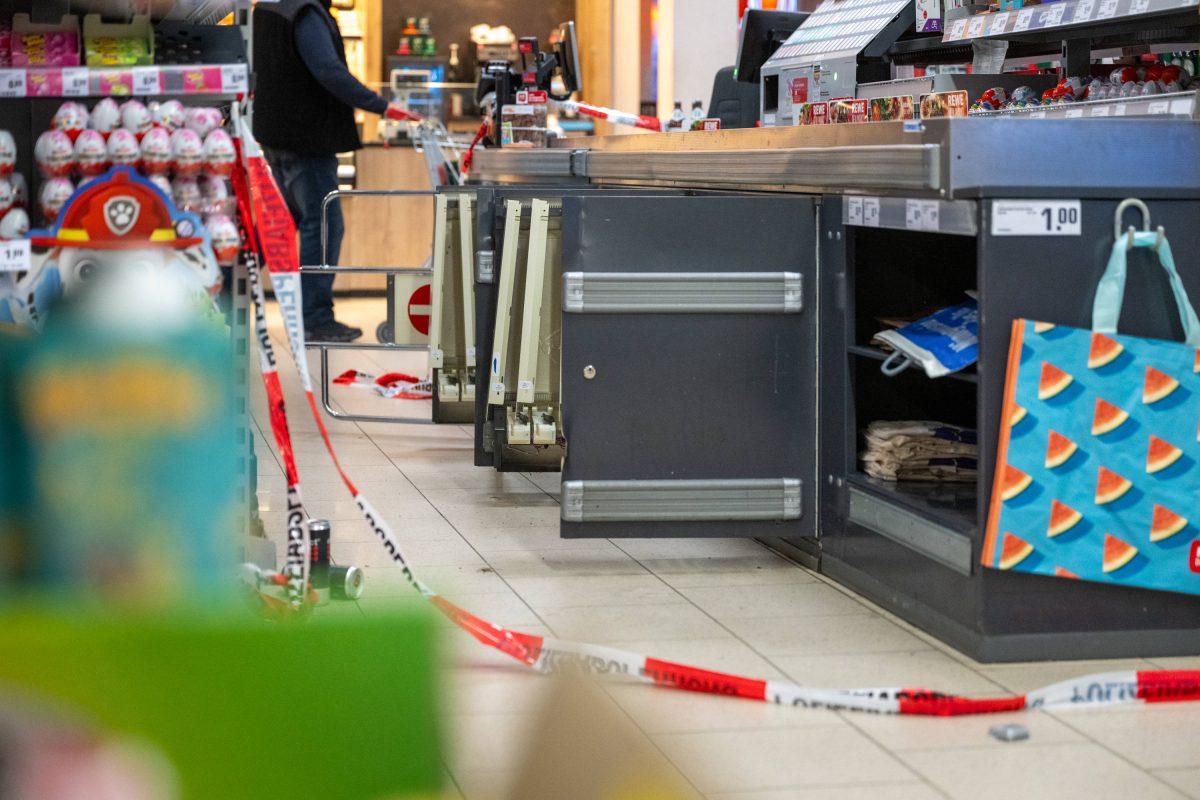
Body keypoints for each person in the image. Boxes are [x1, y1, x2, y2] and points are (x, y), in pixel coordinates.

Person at [252, 0, 417, 343]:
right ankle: (315, 318)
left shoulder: (267, 7)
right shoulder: (305, 13)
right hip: (307, 139)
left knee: (280, 223)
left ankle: (225, 284)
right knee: (324, 226)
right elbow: (329, 71)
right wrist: (382, 106)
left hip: (274, 134)